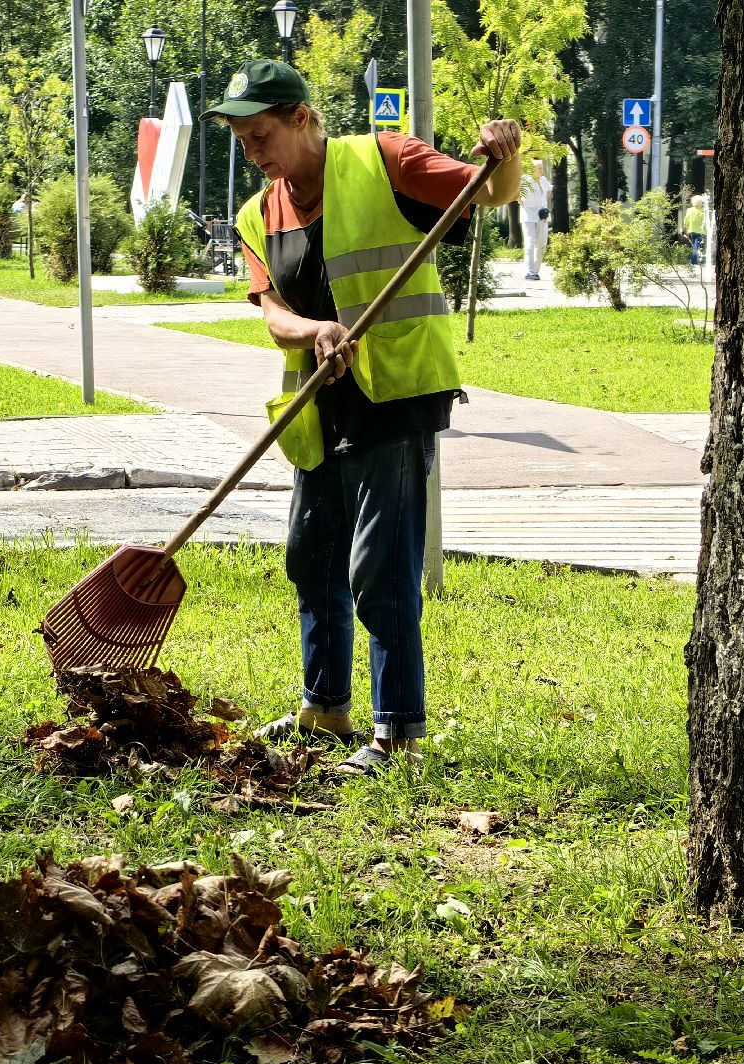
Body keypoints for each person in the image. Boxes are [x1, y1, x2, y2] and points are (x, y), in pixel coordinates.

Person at [204, 59, 521, 775]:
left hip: (398, 390)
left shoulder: (386, 159)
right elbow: (273, 313)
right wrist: (314, 329)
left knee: (379, 566)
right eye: (243, 141)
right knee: (310, 555)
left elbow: (488, 195)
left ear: (303, 119)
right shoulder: (260, 212)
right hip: (318, 399)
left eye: (262, 135)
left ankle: (399, 732)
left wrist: (505, 155)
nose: (254, 153)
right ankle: (325, 709)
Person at [518, 158, 551, 280]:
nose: (542, 170)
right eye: (540, 168)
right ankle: (529, 271)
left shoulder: (543, 180)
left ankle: (536, 271)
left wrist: (543, 203)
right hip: (528, 214)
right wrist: (520, 201)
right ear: (533, 169)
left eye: (542, 168)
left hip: (542, 215)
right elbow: (515, 192)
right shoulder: (525, 180)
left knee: (541, 243)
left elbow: (549, 191)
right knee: (530, 242)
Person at [683, 193, 708, 265]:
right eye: (701, 202)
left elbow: (685, 222)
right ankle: (693, 260)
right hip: (700, 232)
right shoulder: (704, 211)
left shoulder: (689, 210)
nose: (701, 203)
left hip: (692, 231)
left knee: (696, 245)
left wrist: (685, 231)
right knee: (697, 245)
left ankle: (696, 259)